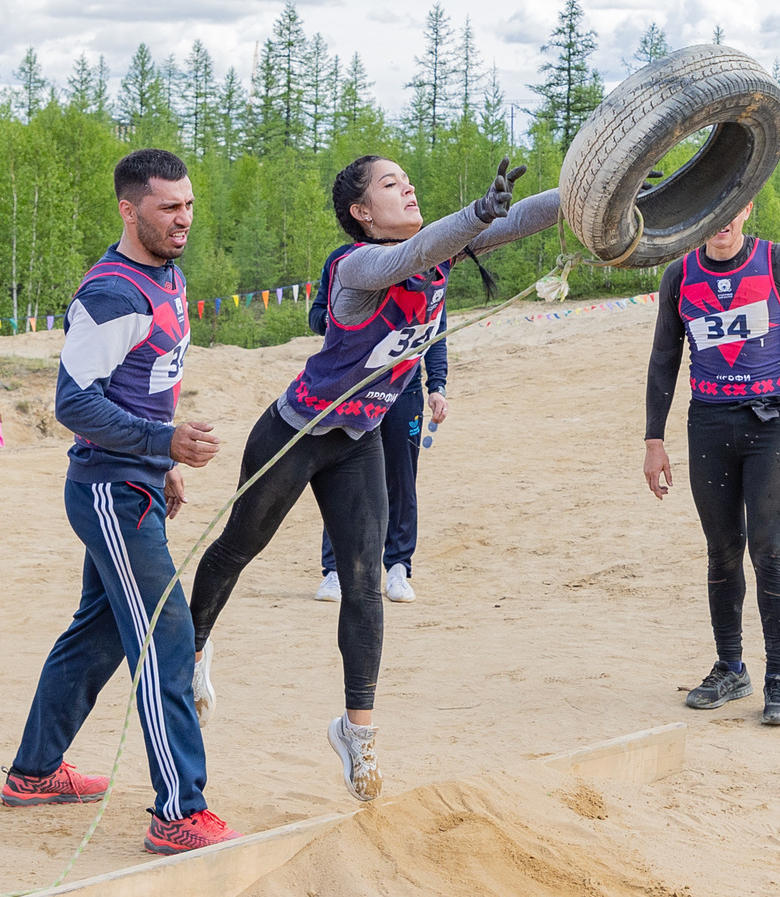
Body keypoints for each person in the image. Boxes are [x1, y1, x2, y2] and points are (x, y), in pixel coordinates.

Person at [190, 155, 559, 802]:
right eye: (390, 184)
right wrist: (476, 212)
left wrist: (600, 189)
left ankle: (355, 731)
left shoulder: (440, 249)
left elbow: (528, 215)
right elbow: (405, 258)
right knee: (237, 547)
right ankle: (192, 651)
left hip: (359, 441)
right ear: (362, 213)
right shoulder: (355, 267)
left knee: (366, 584)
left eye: (408, 178)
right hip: (298, 432)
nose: (408, 185)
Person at [2, 148, 241, 855]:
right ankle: (179, 812)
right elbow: (74, 402)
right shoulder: (111, 293)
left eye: (189, 204)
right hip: (107, 492)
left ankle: (34, 771)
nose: (184, 219)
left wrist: (159, 460)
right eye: (169, 207)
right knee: (163, 638)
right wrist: (160, 444)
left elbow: (145, 384)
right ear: (128, 208)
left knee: (98, 633)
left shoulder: (168, 274)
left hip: (132, 481)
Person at [642, 201, 780, 726]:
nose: (722, 220)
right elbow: (663, 359)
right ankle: (731, 667)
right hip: (708, 425)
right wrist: (653, 440)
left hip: (772, 424)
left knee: (770, 550)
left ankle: (779, 676)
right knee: (722, 550)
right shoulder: (678, 276)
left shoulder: (779, 263)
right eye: (713, 211)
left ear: (748, 208)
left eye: (733, 209)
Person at [309, 244, 449, 605]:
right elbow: (316, 313)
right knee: (343, 478)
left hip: (403, 391)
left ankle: (398, 567)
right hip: (352, 388)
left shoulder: (426, 258)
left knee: (401, 478)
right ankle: (335, 570)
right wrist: (339, 322)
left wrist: (437, 386)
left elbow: (435, 332)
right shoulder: (343, 260)